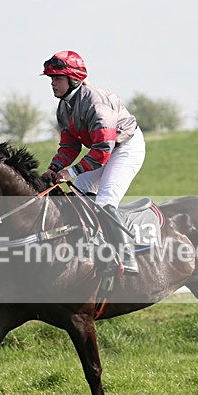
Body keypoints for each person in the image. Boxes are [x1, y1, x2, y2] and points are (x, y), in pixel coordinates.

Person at [40, 50, 145, 275]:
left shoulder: (96, 103)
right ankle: (97, 246)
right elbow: (70, 146)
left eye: (57, 78)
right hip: (104, 150)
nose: (52, 84)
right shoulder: (64, 108)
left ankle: (128, 257)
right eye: (51, 79)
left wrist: (73, 171)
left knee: (106, 200)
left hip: (125, 148)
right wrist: (54, 168)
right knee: (77, 194)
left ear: (73, 79)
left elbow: (103, 149)